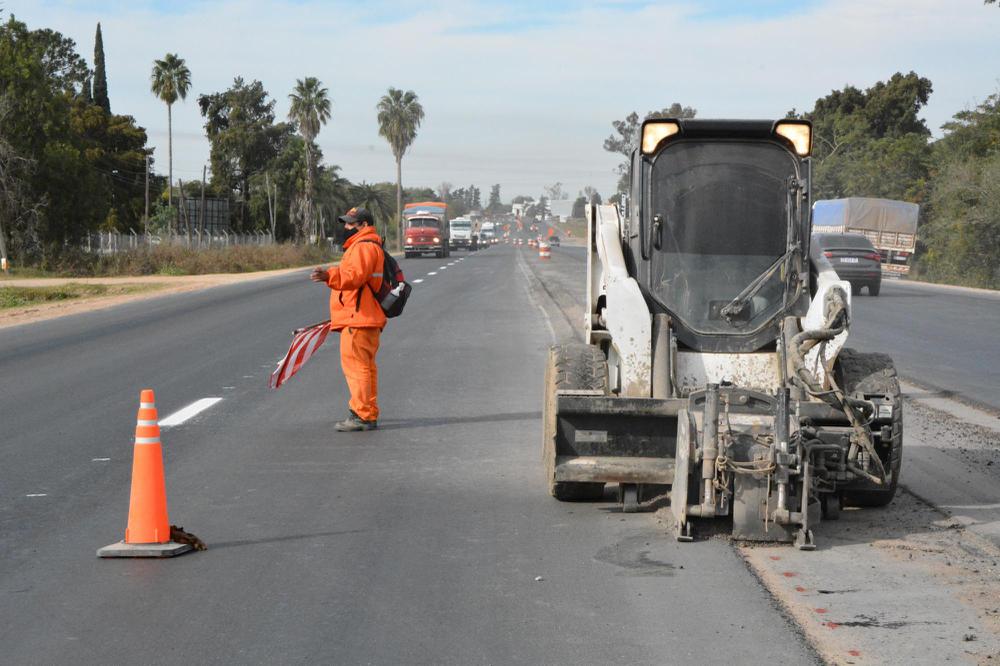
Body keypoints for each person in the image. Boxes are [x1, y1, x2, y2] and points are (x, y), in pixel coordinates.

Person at [310, 207, 386, 432]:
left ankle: (362, 415)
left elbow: (354, 276)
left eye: (350, 224)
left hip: (359, 318)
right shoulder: (367, 246)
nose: (346, 227)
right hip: (364, 317)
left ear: (363, 225)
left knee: (357, 368)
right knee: (366, 368)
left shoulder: (363, 247)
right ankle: (367, 412)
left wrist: (328, 275)